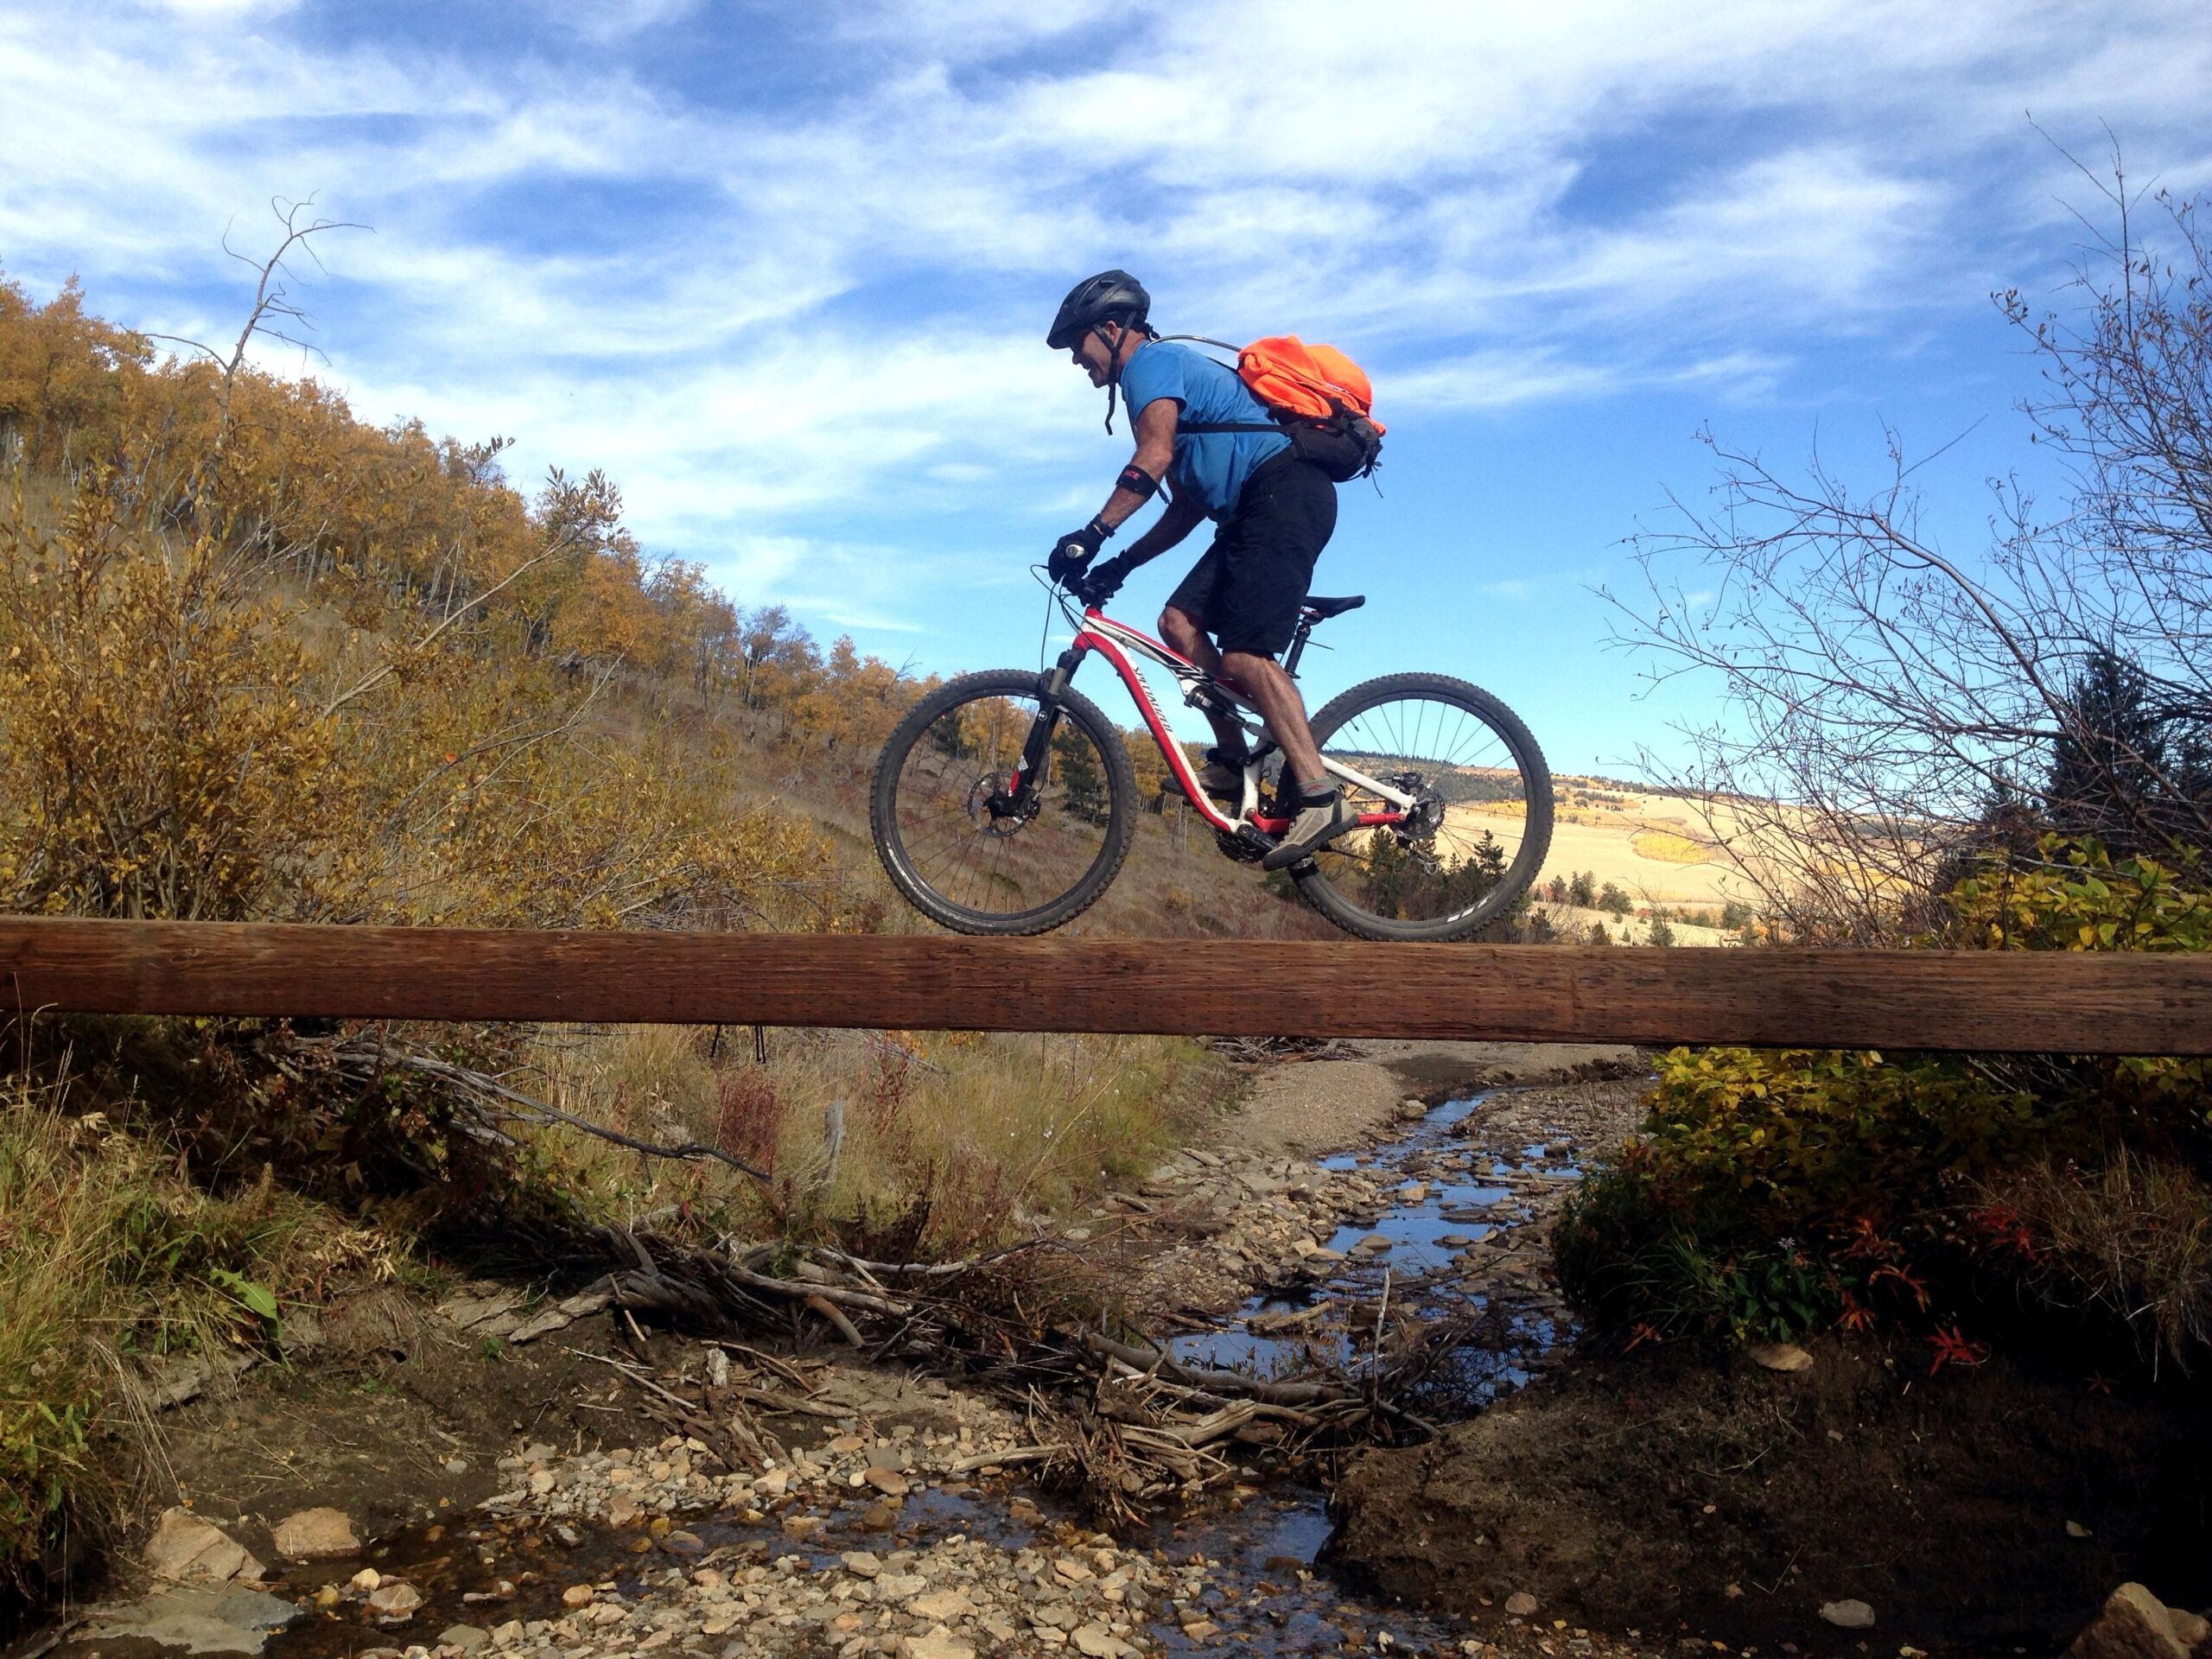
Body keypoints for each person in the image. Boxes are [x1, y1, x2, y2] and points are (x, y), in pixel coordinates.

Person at [1041, 269, 1352, 871]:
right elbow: (1184, 508)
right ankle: (1235, 764)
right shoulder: (1168, 389)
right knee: (1179, 623)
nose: (1077, 363)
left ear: (1110, 329)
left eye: (1078, 346)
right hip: (1253, 511)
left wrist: (1092, 535)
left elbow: (1151, 458)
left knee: (1244, 657)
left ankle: (1320, 793)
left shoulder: (1151, 366)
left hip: (1285, 494)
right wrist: (1121, 564)